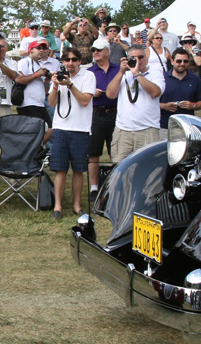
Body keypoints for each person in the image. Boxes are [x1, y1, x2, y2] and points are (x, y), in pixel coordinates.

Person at [48, 47, 95, 219]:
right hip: (61, 128)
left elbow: (84, 101)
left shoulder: (88, 76)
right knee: (59, 169)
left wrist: (70, 85)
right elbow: (51, 103)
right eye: (67, 60)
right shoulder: (58, 78)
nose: (70, 63)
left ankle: (77, 205)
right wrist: (55, 85)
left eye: (74, 60)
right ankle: (57, 206)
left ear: (79, 61)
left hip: (81, 129)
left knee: (78, 170)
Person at [106, 44, 165, 161]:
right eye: (133, 58)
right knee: (119, 168)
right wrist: (121, 72)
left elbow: (155, 92)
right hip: (123, 131)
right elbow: (110, 94)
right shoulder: (123, 74)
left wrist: (137, 74)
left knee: (146, 167)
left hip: (147, 129)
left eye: (141, 57)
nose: (138, 60)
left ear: (146, 57)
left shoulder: (156, 73)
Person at [87, 38, 120, 202]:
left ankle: (114, 185)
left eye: (99, 49)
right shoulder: (89, 72)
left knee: (116, 150)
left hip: (116, 113)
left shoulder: (119, 69)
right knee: (94, 152)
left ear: (107, 51)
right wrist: (91, 92)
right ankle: (94, 187)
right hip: (96, 113)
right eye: (93, 50)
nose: (96, 53)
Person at [13, 39, 58, 127]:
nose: (42, 50)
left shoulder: (39, 65)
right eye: (39, 48)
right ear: (31, 50)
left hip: (39, 103)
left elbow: (44, 91)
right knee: (35, 131)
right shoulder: (24, 62)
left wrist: (46, 83)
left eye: (44, 48)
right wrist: (37, 75)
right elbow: (19, 80)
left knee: (48, 129)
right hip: (28, 103)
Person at [158, 47, 201, 130]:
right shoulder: (162, 78)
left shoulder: (195, 79)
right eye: (179, 61)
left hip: (188, 126)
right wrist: (165, 106)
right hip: (165, 126)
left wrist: (192, 106)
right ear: (172, 61)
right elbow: (152, 102)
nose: (182, 64)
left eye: (185, 61)